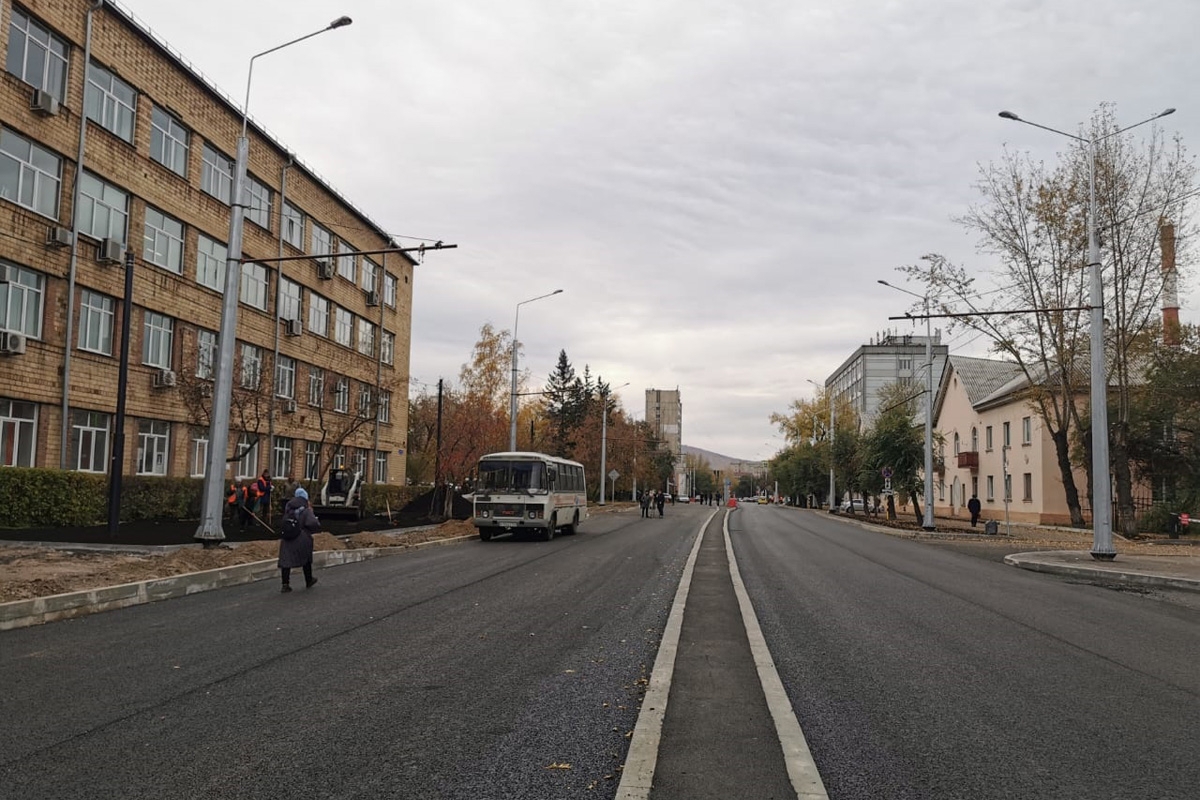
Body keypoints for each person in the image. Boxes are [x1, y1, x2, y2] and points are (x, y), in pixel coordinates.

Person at [278, 487, 320, 593]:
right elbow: (313, 523)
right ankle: (309, 580)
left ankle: (285, 584)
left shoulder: (288, 507)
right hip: (301, 537)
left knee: (286, 560)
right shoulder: (305, 509)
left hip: (287, 537)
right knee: (306, 558)